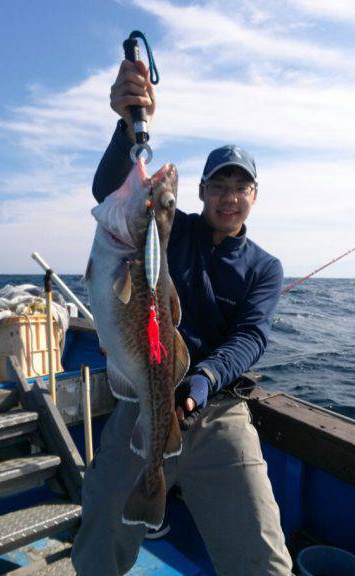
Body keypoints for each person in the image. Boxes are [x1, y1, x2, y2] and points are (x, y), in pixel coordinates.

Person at [71, 58, 293, 576]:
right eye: (218, 185)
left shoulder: (266, 267)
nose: (229, 197)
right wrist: (128, 123)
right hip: (145, 397)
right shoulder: (173, 230)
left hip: (216, 409)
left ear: (254, 196)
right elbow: (111, 190)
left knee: (263, 556)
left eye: (241, 187)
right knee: (100, 533)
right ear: (201, 193)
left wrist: (202, 379)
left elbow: (251, 338)